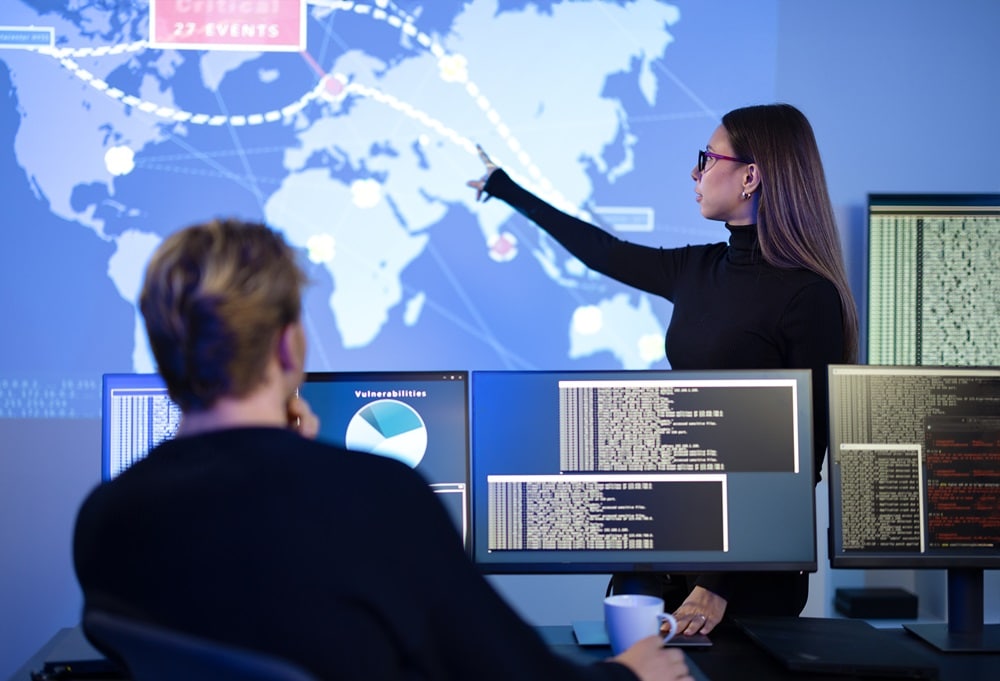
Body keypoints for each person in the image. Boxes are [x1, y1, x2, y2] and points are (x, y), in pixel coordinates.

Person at [72, 218, 693, 681]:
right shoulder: (375, 499)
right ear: (290, 348)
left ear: (163, 351)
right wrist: (631, 673)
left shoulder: (105, 517)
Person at [467, 103, 859, 637]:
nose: (695, 173)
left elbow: (802, 461)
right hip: (664, 551)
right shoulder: (697, 269)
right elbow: (602, 252)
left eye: (707, 158)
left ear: (751, 176)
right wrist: (505, 187)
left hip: (746, 577)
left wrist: (719, 582)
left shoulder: (809, 297)